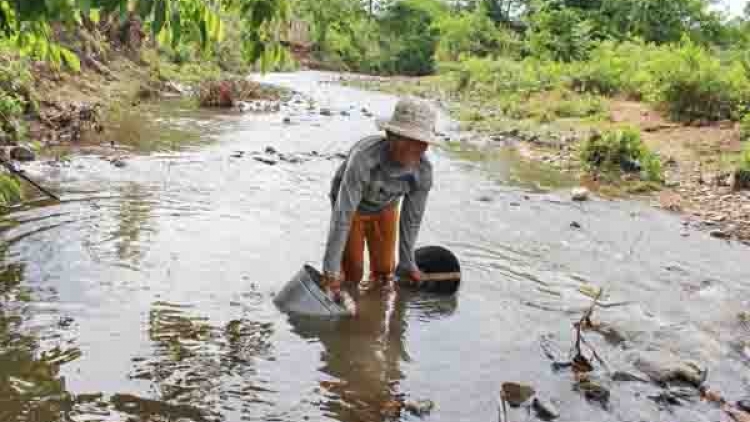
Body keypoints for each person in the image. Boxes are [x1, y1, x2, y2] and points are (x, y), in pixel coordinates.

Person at [321, 97, 438, 301]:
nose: (414, 148)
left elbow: (411, 220)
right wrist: (330, 269)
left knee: (385, 272)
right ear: (390, 135)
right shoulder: (364, 158)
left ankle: (375, 310)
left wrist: (408, 261)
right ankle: (349, 308)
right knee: (352, 273)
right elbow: (343, 214)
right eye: (407, 139)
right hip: (352, 207)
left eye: (421, 142)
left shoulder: (423, 172)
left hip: (386, 207)